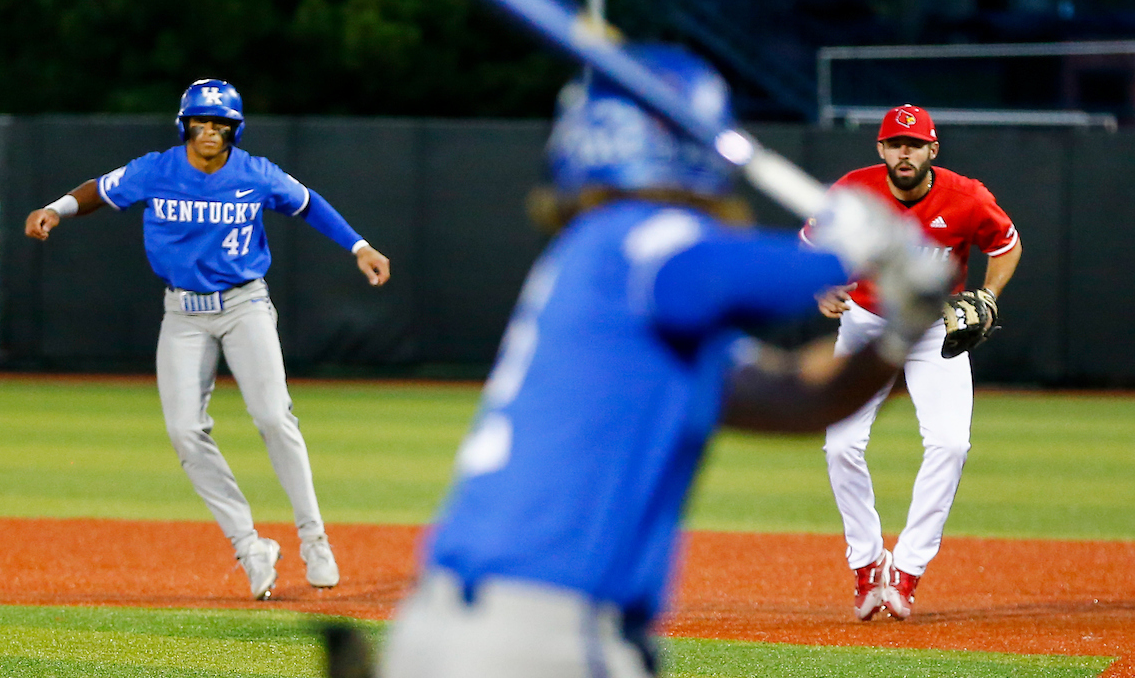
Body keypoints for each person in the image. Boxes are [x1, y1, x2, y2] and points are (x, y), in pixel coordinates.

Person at [378, 48, 951, 678]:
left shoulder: (624, 294)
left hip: (482, 621)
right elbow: (714, 273)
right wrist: (853, 247)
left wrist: (902, 332)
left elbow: (802, 398)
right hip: (541, 627)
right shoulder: (628, 237)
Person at [24, 78, 391, 600]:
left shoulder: (255, 173)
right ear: (185, 124)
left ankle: (314, 539)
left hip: (245, 304)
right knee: (184, 432)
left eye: (222, 123)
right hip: (183, 314)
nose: (212, 130)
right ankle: (250, 547)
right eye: (203, 121)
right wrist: (55, 210)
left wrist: (359, 246)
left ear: (234, 129)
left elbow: (308, 204)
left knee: (272, 416)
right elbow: (100, 190)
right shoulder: (157, 169)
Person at [801, 104, 1022, 621]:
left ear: (932, 150)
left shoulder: (966, 197)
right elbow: (811, 242)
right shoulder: (853, 193)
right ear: (881, 149)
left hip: (932, 328)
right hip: (866, 324)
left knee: (951, 443)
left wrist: (988, 295)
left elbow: (1006, 244)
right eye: (896, 143)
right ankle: (866, 563)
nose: (905, 152)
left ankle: (908, 569)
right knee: (839, 446)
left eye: (915, 144)